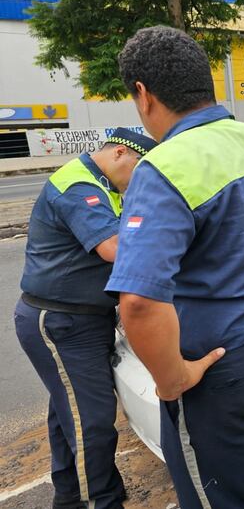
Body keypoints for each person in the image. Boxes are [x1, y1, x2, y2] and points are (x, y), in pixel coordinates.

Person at [107, 26, 244, 508]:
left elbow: (138, 302)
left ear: (143, 94)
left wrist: (173, 379)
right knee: (238, 483)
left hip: (218, 373)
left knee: (221, 500)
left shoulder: (165, 167)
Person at [15, 128, 157, 509]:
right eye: (141, 169)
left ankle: (70, 493)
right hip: (61, 321)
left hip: (81, 319)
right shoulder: (79, 185)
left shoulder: (103, 184)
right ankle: (97, 501)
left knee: (69, 412)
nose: (141, 180)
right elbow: (112, 247)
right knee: (89, 421)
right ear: (121, 154)